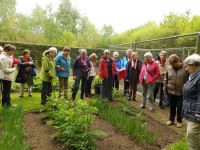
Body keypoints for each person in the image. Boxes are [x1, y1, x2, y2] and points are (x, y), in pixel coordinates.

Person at [164, 54, 188, 128]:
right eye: (171, 64)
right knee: (172, 106)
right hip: (171, 91)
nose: (172, 65)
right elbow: (165, 78)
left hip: (181, 92)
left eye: (173, 64)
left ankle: (179, 121)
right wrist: (165, 87)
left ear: (178, 61)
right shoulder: (169, 68)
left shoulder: (186, 68)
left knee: (180, 107)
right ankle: (171, 119)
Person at [182, 54, 200, 149]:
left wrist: (198, 113)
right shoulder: (193, 75)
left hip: (195, 113)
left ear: (193, 65)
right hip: (192, 110)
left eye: (187, 66)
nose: (185, 69)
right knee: (192, 135)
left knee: (192, 134)